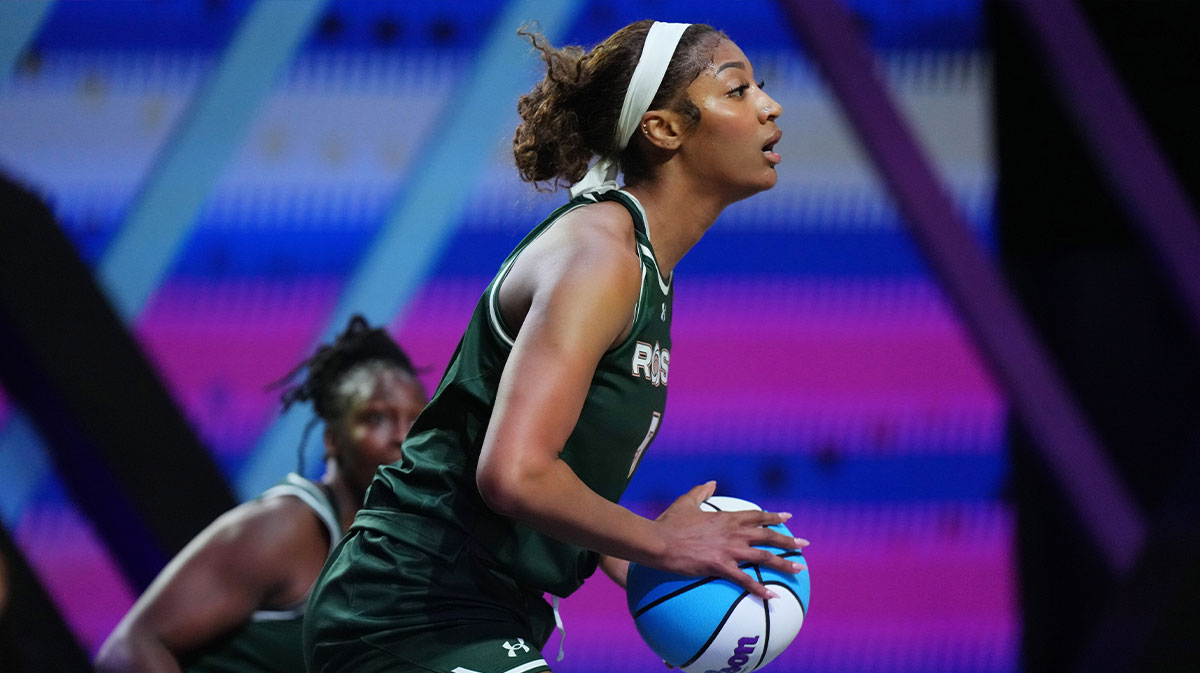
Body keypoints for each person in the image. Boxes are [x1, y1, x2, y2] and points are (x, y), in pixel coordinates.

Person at [304, 19, 807, 673]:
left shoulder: (643, 262)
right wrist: (662, 541)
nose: (770, 105)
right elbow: (514, 472)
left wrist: (640, 559)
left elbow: (551, 464)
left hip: (483, 608)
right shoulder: (602, 255)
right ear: (664, 128)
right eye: (737, 90)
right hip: (407, 605)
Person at [95, 315, 428, 673]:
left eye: (416, 420)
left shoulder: (403, 556)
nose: (401, 437)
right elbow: (130, 650)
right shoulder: (286, 525)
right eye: (376, 418)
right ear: (333, 440)